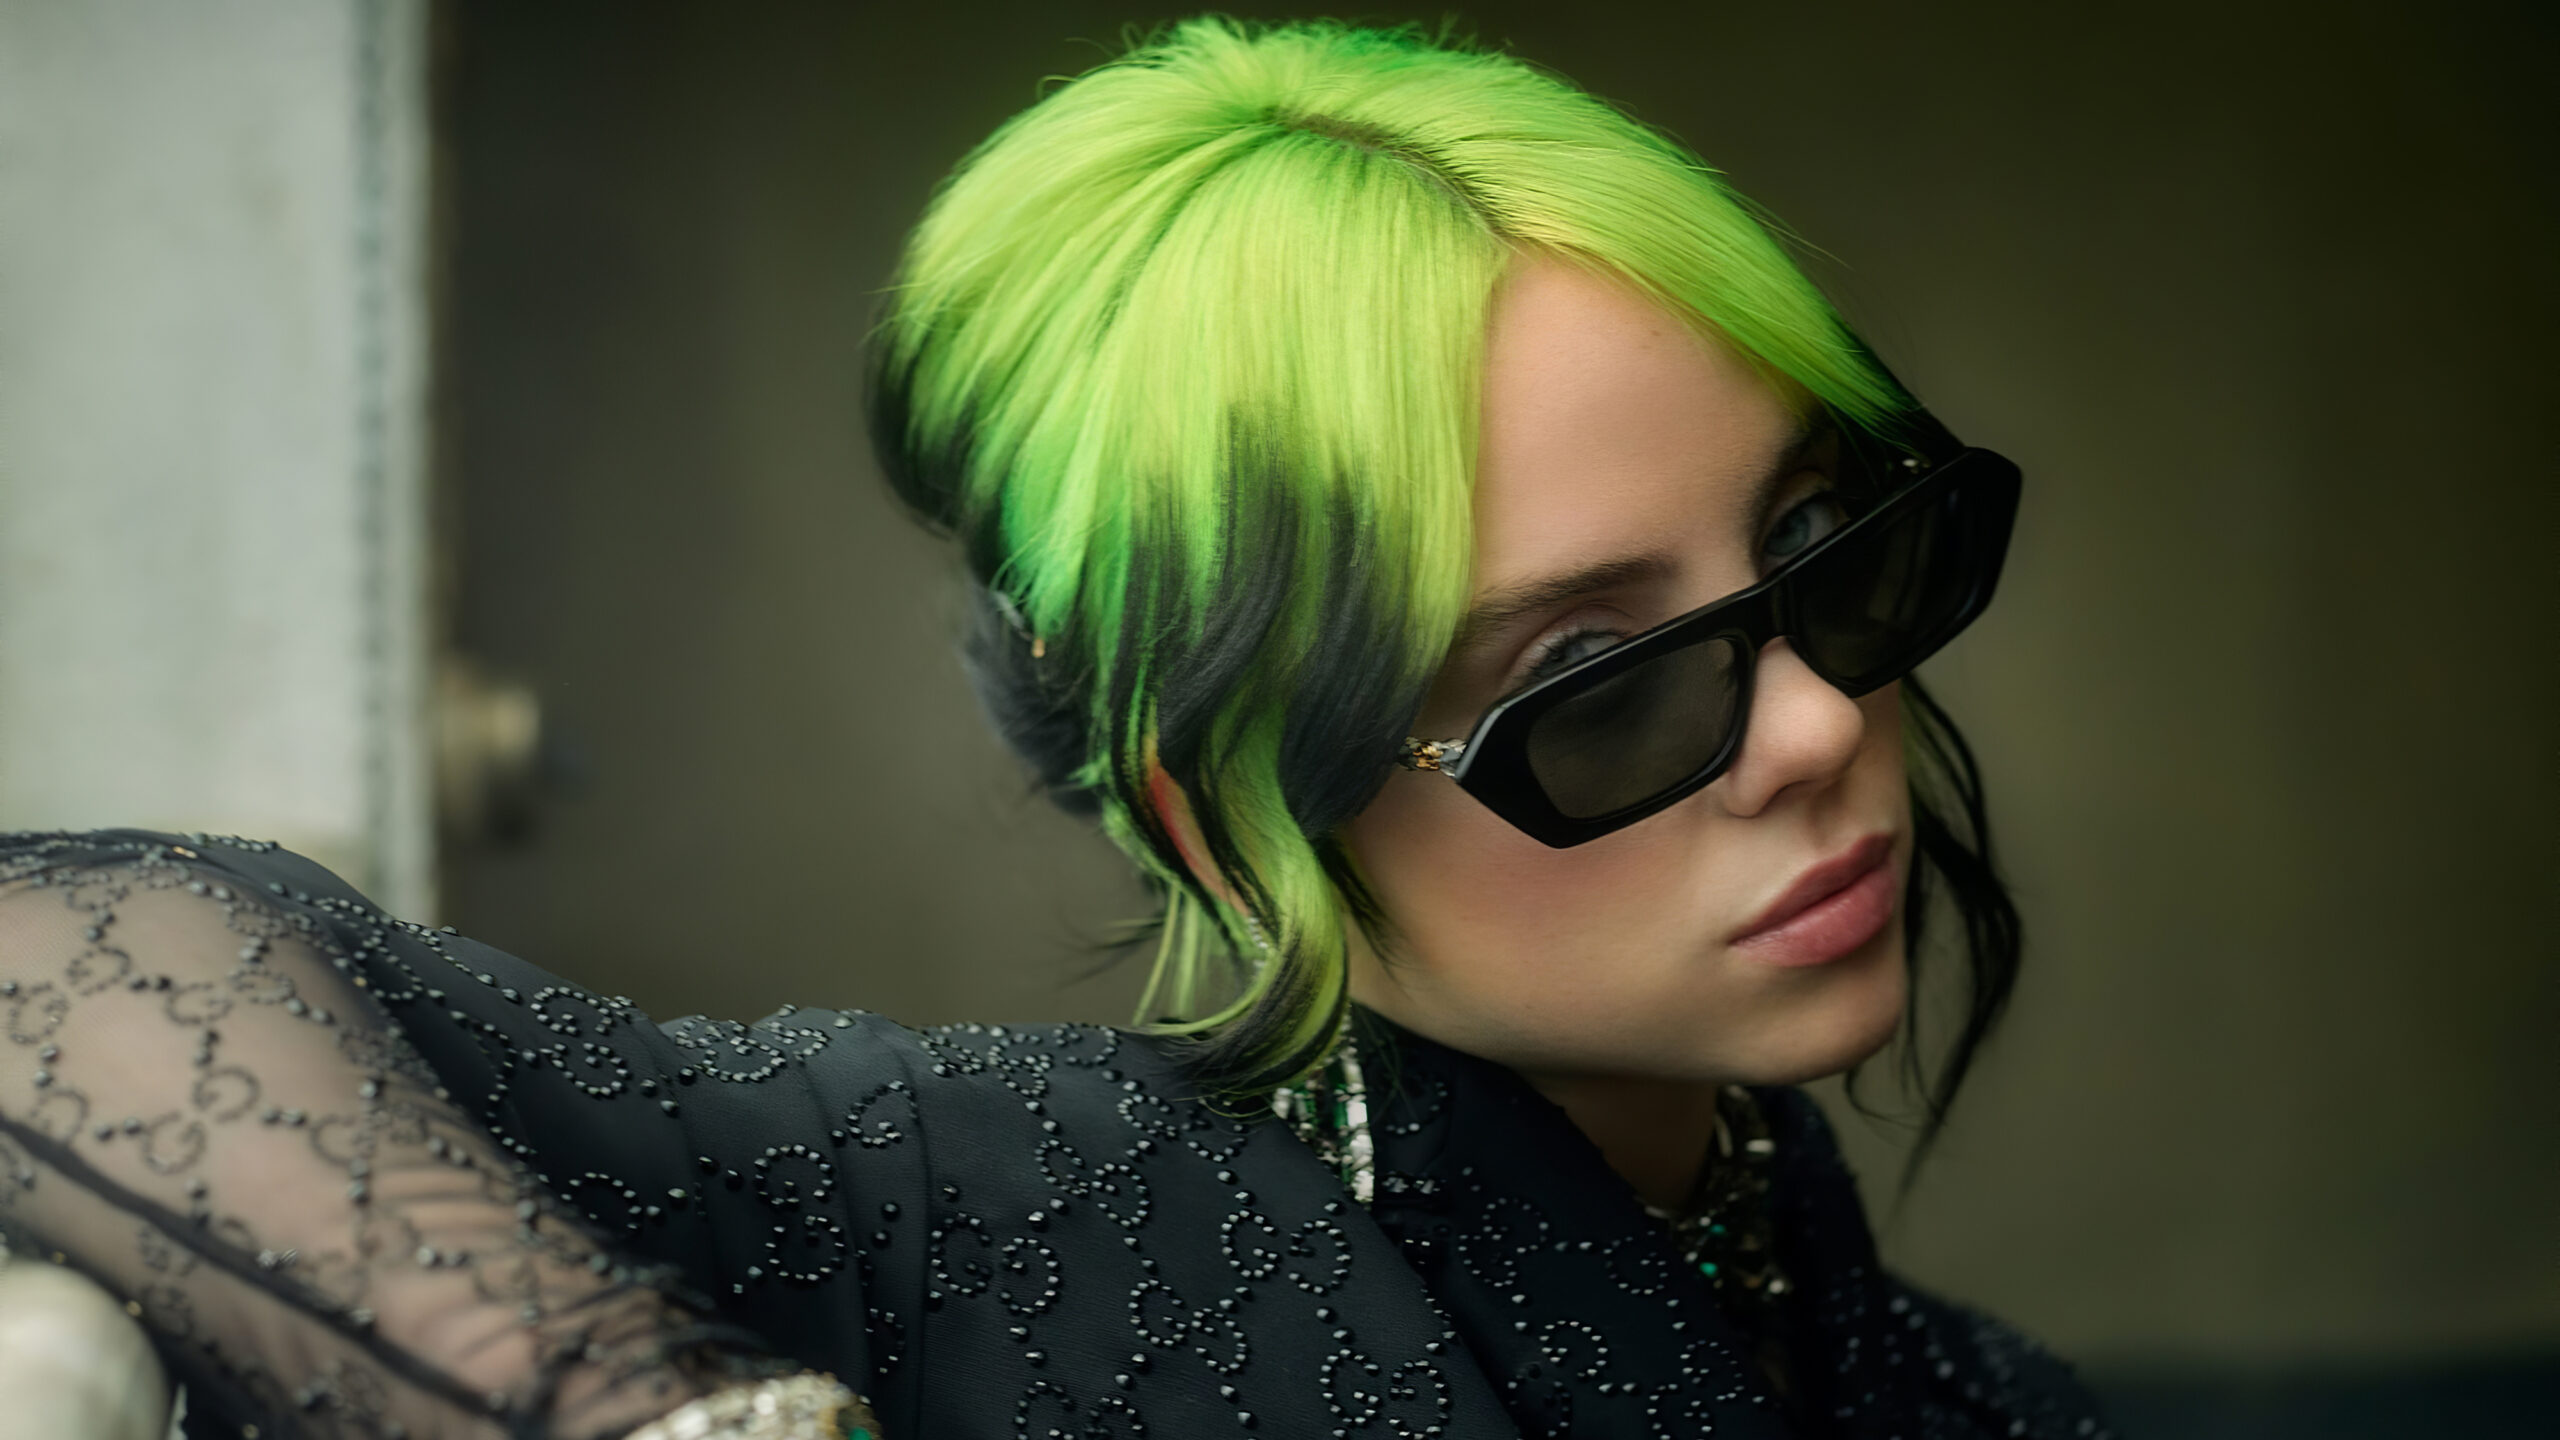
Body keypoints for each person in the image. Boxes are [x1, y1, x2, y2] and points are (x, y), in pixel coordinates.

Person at [0, 16, 2113, 1439]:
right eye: (1594, 679)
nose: (1820, 724)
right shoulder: (1015, 1213)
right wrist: (659, 1411)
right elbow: (52, 957)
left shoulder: (1964, 1392)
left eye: (1826, 549)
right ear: (1214, 811)